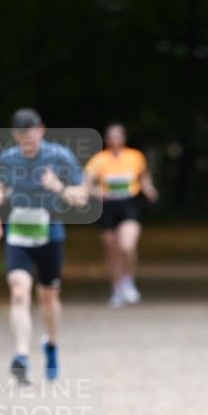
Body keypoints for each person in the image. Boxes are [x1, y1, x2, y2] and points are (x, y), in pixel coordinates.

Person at [0, 108, 87, 384]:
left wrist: (58, 187)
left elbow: (81, 198)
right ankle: (21, 355)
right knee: (19, 291)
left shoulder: (60, 156)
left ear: (41, 130)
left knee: (48, 297)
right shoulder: (8, 159)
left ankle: (52, 344)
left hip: (50, 235)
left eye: (31, 139)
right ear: (15, 136)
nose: (28, 145)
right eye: (23, 141)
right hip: (19, 235)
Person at [84, 123, 159, 307]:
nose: (115, 140)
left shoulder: (135, 156)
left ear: (124, 138)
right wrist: (97, 192)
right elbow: (86, 183)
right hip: (108, 206)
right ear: (107, 139)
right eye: (112, 137)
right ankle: (116, 288)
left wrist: (148, 188)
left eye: (118, 136)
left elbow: (144, 176)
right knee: (112, 251)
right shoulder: (99, 160)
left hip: (129, 204)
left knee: (127, 246)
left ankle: (128, 281)